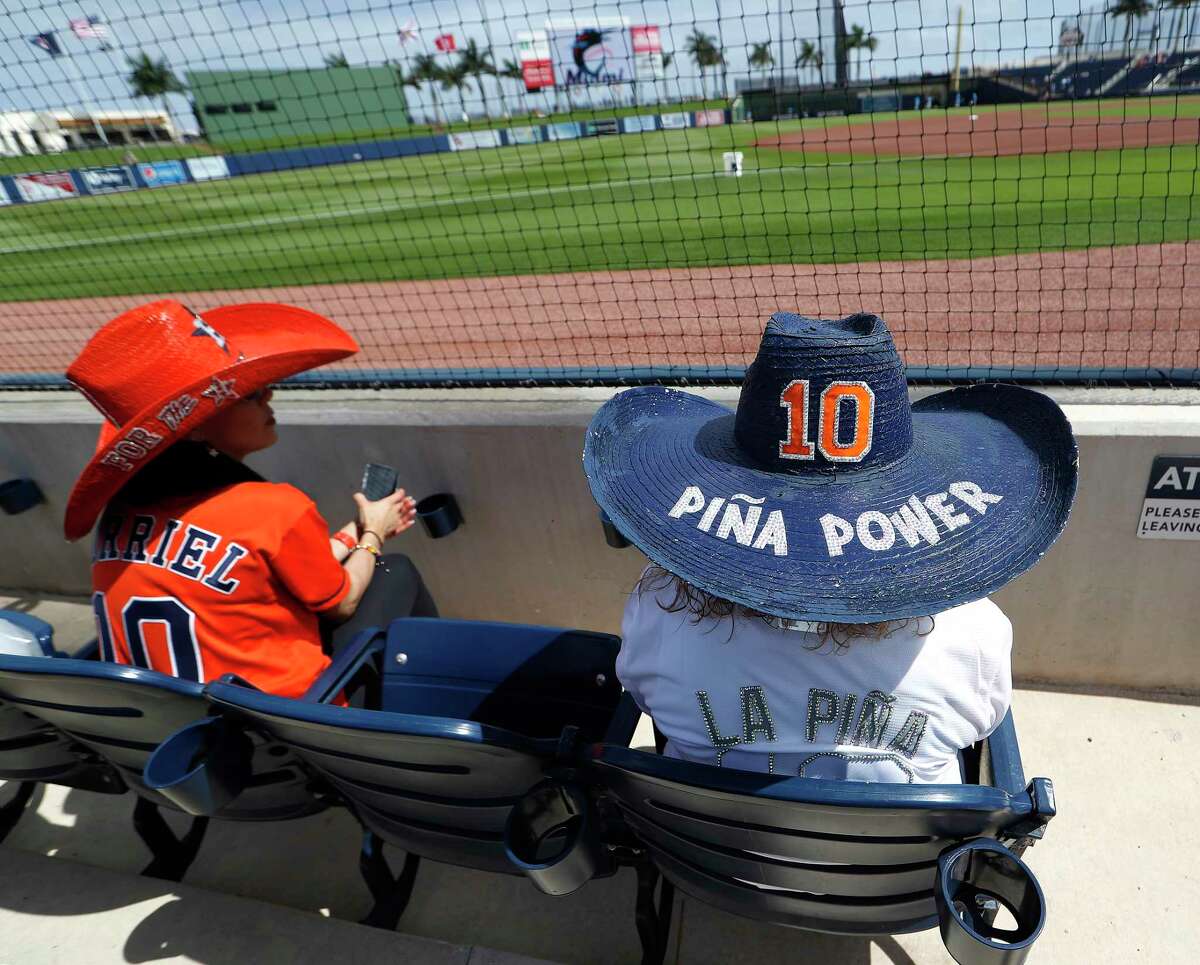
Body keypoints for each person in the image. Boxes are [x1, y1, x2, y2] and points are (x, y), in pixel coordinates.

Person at [583, 312, 1078, 784]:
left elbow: (645, 697)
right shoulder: (973, 634)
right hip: (900, 866)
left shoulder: (658, 612)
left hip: (706, 857)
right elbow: (982, 728)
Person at [63, 299, 437, 699]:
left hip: (168, 731)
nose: (268, 396)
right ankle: (425, 718)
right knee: (395, 572)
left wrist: (354, 532)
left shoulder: (117, 517)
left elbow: (265, 571)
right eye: (247, 393)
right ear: (193, 428)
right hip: (281, 730)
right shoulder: (271, 507)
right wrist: (374, 537)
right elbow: (341, 602)